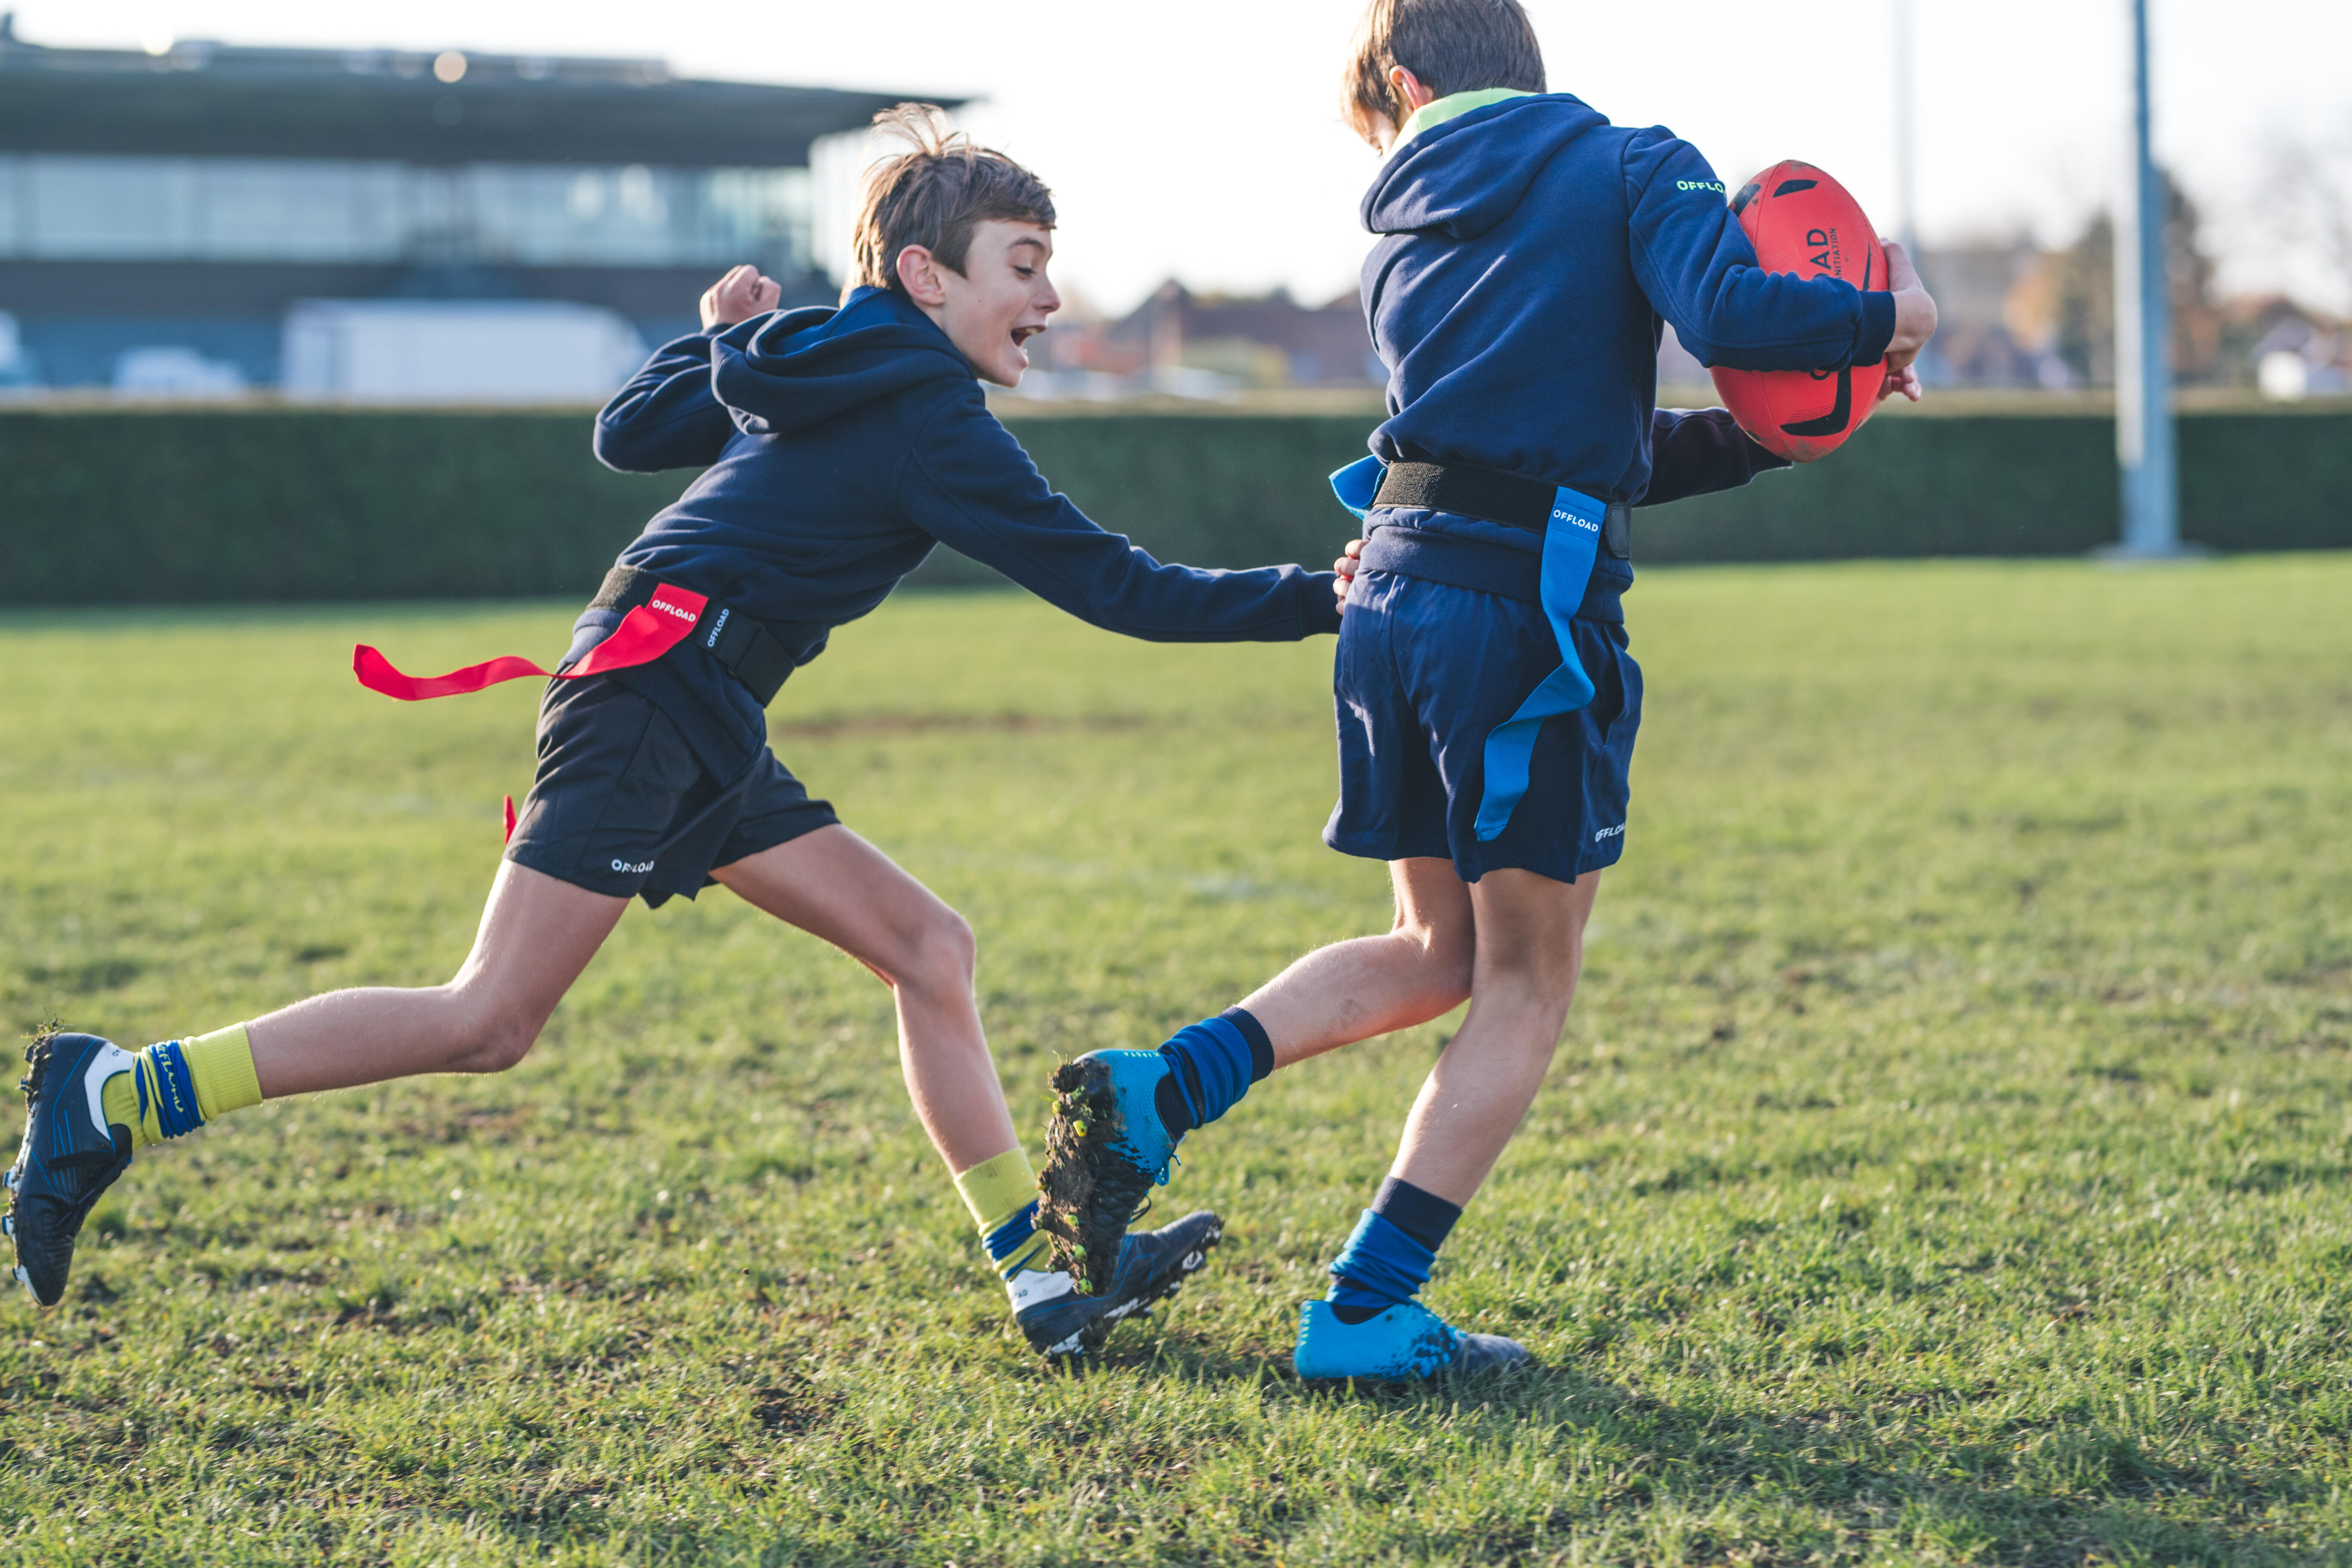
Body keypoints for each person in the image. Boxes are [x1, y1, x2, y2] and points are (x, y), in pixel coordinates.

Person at [6, 107, 1343, 1360]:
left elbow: (628, 432)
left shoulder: (814, 354)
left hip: (687, 695)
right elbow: (1120, 588)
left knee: (928, 949)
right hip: (654, 690)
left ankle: (1048, 1284)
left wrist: (715, 336)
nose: (1049, 300)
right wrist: (1322, 597)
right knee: (488, 1019)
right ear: (929, 278)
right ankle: (117, 1096)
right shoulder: (929, 413)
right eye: (1026, 265)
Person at [1036, 0, 1938, 1380]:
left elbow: (1570, 435)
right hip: (1520, 621)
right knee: (1524, 979)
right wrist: (1891, 316)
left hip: (1388, 601)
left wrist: (1770, 443)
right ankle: (1363, 1312)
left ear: (1407, 83)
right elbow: (1730, 312)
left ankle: (1163, 1088)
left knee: (1431, 950)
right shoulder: (1632, 160)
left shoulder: (1393, 218)